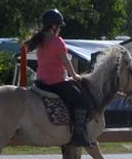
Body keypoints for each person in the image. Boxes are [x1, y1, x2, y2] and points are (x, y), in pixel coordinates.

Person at [24, 9, 93, 147]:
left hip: (40, 82)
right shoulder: (58, 42)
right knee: (81, 100)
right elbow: (66, 62)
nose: (60, 29)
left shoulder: (40, 41)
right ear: (54, 26)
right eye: (60, 26)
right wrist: (75, 76)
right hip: (56, 82)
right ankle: (78, 135)